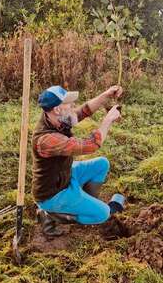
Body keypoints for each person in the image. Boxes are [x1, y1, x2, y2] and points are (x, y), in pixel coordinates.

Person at [32, 84, 125, 237]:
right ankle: (49, 214)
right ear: (57, 109)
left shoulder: (57, 118)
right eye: (68, 103)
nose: (73, 105)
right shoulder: (46, 140)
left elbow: (84, 110)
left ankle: (84, 203)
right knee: (103, 213)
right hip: (53, 193)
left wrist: (107, 94)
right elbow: (91, 145)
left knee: (102, 164)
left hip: (64, 175)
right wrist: (107, 120)